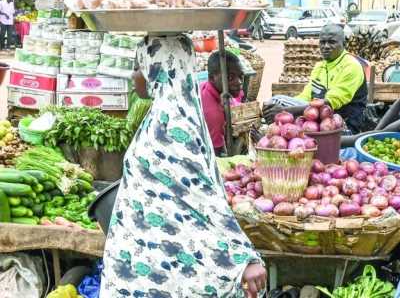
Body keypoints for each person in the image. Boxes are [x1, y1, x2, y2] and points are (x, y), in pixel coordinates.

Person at [105, 35, 266, 297]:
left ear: (156, 68)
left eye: (139, 66)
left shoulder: (173, 121)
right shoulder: (172, 111)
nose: (134, 75)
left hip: (158, 267)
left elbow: (200, 196)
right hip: (150, 259)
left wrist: (241, 255)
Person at [264, 24, 367, 133]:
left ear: (344, 44)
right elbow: (306, 97)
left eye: (332, 42)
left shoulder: (351, 66)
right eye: (322, 42)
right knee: (275, 106)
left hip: (341, 125)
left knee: (277, 100)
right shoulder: (320, 66)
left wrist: (285, 111)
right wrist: (284, 112)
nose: (326, 46)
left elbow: (329, 104)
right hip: (316, 121)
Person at [200, 51, 245, 156]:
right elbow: (217, 153)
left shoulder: (223, 90)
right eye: (230, 78)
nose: (239, 82)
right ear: (212, 78)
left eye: (241, 76)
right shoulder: (214, 115)